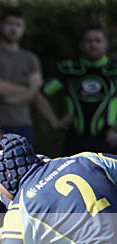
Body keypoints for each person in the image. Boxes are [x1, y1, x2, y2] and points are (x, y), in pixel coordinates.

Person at [41, 23, 117, 155]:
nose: (93, 45)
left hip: (109, 140)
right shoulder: (69, 70)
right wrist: (54, 121)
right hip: (75, 140)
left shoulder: (114, 70)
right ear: (81, 45)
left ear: (106, 44)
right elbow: (40, 93)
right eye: (89, 41)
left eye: (98, 41)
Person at [0, 7, 46, 144]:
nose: (13, 29)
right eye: (9, 24)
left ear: (24, 28)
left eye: (18, 25)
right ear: (1, 26)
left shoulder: (30, 59)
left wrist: (8, 97)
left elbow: (35, 93)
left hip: (23, 123)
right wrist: (26, 90)